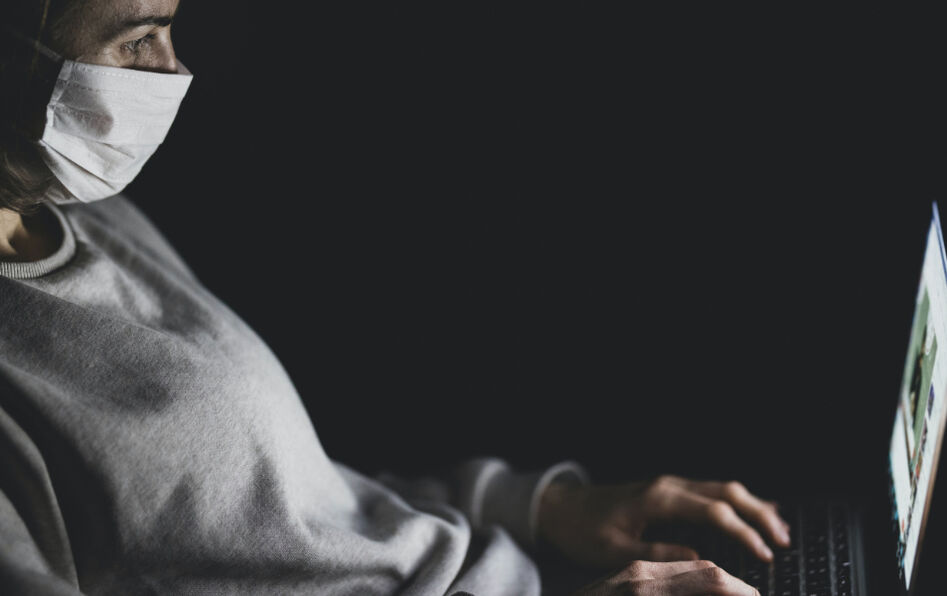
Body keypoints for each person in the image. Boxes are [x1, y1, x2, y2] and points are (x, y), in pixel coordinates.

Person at [0, 1, 792, 594]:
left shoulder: (88, 217)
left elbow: (289, 516)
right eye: (137, 38)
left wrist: (539, 509)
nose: (172, 71)